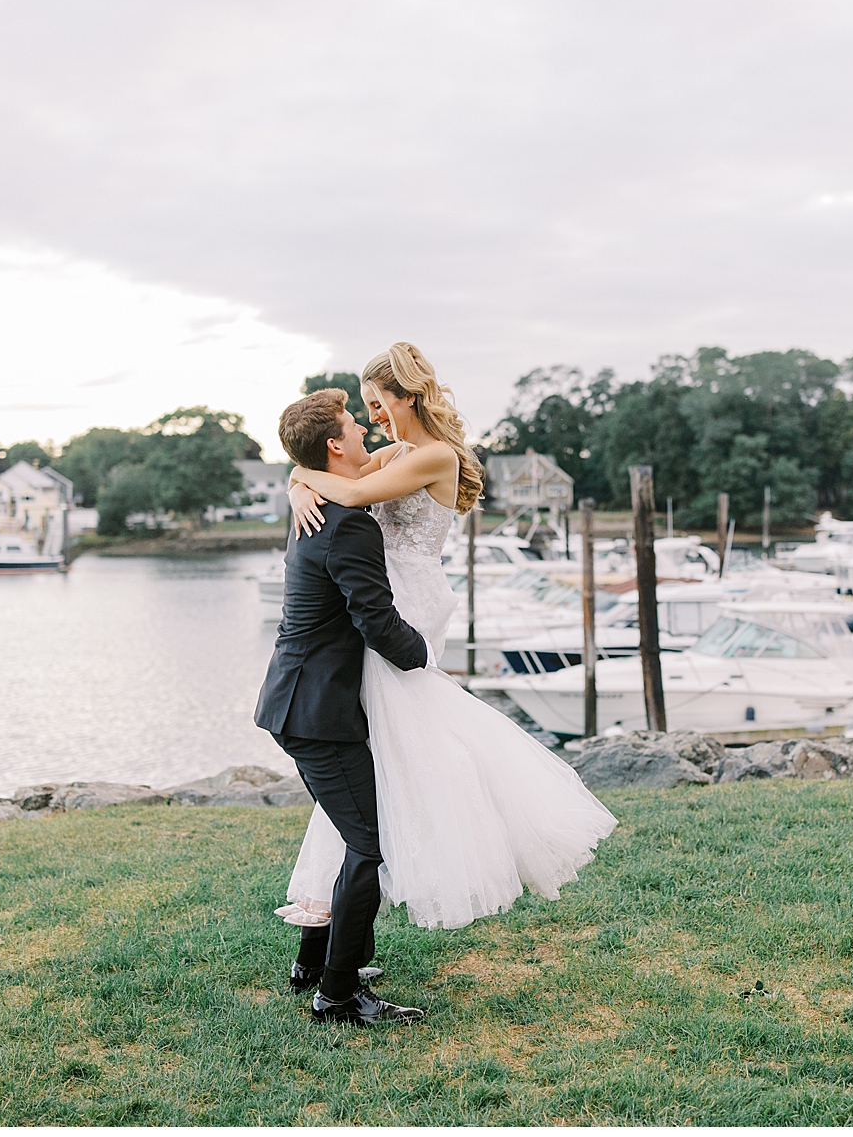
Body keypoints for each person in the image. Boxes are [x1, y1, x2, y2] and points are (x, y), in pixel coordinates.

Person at [281, 343, 618, 999]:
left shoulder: (435, 455)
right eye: (364, 407)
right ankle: (325, 953)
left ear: (407, 395)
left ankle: (328, 953)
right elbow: (334, 468)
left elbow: (347, 486)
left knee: (397, 762)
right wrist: (300, 480)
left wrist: (303, 480)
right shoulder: (394, 455)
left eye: (377, 402)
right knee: (374, 769)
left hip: (405, 611)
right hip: (386, 609)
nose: (372, 416)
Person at [253, 387, 432, 1027]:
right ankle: (338, 994)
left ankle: (316, 963)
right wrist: (424, 659)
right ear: (334, 445)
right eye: (354, 424)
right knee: (369, 844)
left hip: (300, 702)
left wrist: (299, 480)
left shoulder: (319, 503)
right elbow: (375, 619)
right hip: (317, 712)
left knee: (346, 829)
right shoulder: (348, 521)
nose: (362, 430)